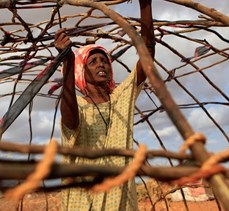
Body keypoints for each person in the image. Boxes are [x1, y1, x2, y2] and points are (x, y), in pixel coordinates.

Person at [54, 1, 155, 210]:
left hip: (121, 203)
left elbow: (147, 56)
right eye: (93, 62)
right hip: (83, 203)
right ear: (82, 71)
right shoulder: (77, 106)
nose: (101, 64)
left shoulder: (121, 99)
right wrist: (68, 61)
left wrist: (146, 6)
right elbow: (71, 121)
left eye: (104, 60)